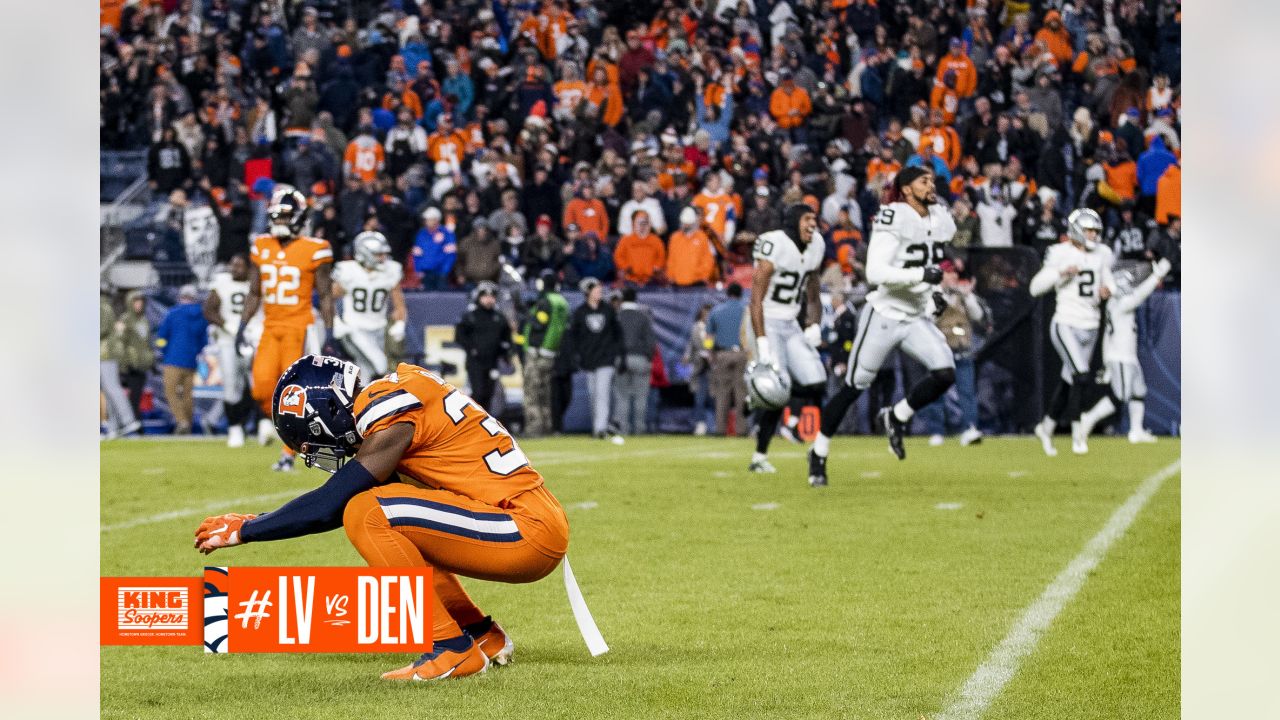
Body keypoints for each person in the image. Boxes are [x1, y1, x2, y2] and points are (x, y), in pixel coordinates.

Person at [193, 355, 568, 681]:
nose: (324, 451)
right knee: (386, 518)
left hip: (523, 529)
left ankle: (450, 649)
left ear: (332, 413)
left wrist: (247, 530)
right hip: (524, 519)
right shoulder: (400, 389)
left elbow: (334, 503)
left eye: (313, 439)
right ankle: (479, 634)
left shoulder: (382, 407)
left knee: (367, 511)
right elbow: (342, 501)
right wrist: (260, 520)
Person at [808, 166, 957, 484]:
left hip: (915, 316)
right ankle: (818, 452)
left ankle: (897, 415)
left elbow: (927, 263)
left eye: (932, 179)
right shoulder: (893, 217)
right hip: (885, 315)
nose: (931, 185)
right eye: (923, 181)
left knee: (945, 372)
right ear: (905, 189)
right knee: (853, 387)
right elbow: (876, 272)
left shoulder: (938, 217)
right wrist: (921, 278)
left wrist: (933, 296)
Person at [237, 184, 336, 471]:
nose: (279, 222)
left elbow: (327, 294)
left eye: (285, 216)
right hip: (270, 326)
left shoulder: (315, 249)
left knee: (296, 392)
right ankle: (286, 430)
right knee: (261, 388)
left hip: (300, 326)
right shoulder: (262, 245)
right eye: (276, 216)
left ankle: (287, 453)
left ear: (299, 217)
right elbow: (255, 292)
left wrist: (329, 331)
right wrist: (244, 325)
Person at [746, 203, 827, 474]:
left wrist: (814, 323)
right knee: (778, 391)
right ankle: (759, 456)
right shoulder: (774, 244)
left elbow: (814, 293)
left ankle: (796, 429)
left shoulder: (816, 246)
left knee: (817, 381)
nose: (812, 225)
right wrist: (762, 342)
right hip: (766, 319)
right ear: (793, 222)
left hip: (791, 322)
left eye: (814, 219)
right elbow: (755, 299)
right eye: (807, 219)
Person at [1029, 209, 1116, 456]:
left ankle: (1046, 427)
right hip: (1066, 321)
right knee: (1080, 374)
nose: (1093, 235)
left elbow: (1108, 280)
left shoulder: (1102, 254)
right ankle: (1079, 433)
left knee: (1069, 381)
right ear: (1077, 230)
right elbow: (1035, 288)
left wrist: (1107, 289)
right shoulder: (1060, 252)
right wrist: (1060, 272)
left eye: (1096, 231)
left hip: (1091, 323)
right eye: (1089, 230)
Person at [1076, 258, 1174, 443]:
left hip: (1127, 356)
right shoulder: (1119, 304)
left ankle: (1136, 431)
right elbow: (1138, 296)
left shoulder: (1116, 304)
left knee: (1139, 390)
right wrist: (1156, 276)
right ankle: (1088, 418)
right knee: (1120, 395)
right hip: (1120, 356)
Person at [918, 262, 985, 447]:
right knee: (936, 392)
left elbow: (977, 315)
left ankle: (970, 428)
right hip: (940, 349)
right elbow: (928, 318)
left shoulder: (962, 295)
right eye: (949, 273)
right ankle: (936, 430)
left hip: (962, 347)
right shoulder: (933, 295)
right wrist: (943, 299)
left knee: (967, 392)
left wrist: (969, 296)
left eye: (955, 273)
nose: (954, 277)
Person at [203, 254, 261, 447]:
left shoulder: (256, 283)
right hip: (229, 339)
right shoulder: (222, 282)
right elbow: (209, 310)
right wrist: (227, 325)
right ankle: (234, 428)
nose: (234, 269)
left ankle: (263, 425)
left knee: (258, 384)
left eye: (239, 265)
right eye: (232, 265)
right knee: (230, 385)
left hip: (253, 337)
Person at [333, 232, 407, 381]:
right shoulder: (349, 271)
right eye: (378, 254)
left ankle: (361, 402)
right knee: (380, 365)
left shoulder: (390, 271)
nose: (383, 258)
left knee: (365, 371)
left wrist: (400, 323)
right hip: (354, 328)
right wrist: (336, 321)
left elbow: (399, 303)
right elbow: (328, 300)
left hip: (379, 329)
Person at [563, 277, 623, 442]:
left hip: (606, 358)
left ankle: (600, 429)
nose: (599, 292)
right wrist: (575, 356)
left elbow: (618, 333)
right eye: (596, 290)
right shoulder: (580, 312)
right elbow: (572, 337)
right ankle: (599, 426)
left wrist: (619, 355)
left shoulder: (608, 310)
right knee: (593, 395)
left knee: (602, 394)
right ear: (587, 292)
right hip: (589, 360)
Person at [520, 269, 570, 437]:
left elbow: (539, 324)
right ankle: (548, 426)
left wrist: (526, 314)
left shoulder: (545, 301)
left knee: (532, 392)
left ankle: (534, 429)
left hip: (537, 352)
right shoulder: (561, 301)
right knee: (546, 393)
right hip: (552, 352)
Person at [155, 284, 210, 435]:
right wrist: (194, 352)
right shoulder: (201, 316)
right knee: (187, 394)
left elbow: (161, 337)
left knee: (171, 392)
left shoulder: (173, 313)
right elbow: (204, 341)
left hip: (172, 359)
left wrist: (164, 350)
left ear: (181, 297)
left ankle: (182, 421)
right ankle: (189, 425)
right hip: (191, 361)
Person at [455, 282, 513, 414]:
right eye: (485, 296)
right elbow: (459, 336)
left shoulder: (498, 317)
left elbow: (506, 337)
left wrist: (505, 353)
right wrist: (472, 349)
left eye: (491, 296)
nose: (489, 299)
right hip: (476, 362)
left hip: (492, 362)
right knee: (478, 393)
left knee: (489, 394)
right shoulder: (471, 315)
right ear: (479, 297)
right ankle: (474, 423)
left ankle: (483, 425)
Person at [706, 283, 749, 437]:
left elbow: (709, 337)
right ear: (740, 294)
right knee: (741, 394)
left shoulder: (716, 311)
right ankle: (742, 429)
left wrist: (710, 353)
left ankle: (720, 429)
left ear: (727, 293)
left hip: (722, 354)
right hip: (742, 354)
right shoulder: (746, 311)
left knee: (722, 393)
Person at [612, 288, 656, 436]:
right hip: (640, 358)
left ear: (622, 299)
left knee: (622, 396)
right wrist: (648, 358)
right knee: (640, 397)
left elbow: (611, 341)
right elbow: (651, 341)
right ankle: (639, 429)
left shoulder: (616, 316)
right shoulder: (643, 317)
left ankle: (623, 430)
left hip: (620, 359)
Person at [101, 292, 141, 439]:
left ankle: (128, 420)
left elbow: (101, 330)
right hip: (104, 352)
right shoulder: (104, 306)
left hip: (105, 353)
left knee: (112, 388)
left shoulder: (101, 307)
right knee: (108, 390)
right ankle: (113, 426)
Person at [413, 207, 457, 290]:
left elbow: (451, 254)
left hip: (441, 273)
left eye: (429, 219)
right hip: (426, 272)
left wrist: (445, 270)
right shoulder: (421, 234)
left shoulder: (446, 233)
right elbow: (417, 253)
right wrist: (418, 269)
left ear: (437, 220)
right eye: (426, 219)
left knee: (442, 298)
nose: (426, 222)